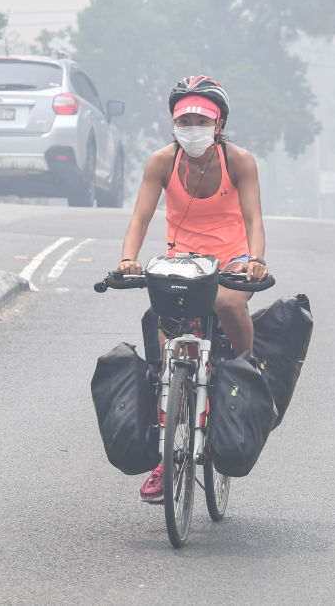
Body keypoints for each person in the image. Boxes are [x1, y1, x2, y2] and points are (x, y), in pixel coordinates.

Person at [117, 75, 269, 502]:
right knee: (167, 359)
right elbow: (140, 218)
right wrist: (129, 257)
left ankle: (246, 367)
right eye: (184, 118)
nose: (192, 126)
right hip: (180, 261)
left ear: (218, 123)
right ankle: (165, 462)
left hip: (232, 259)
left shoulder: (240, 162)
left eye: (201, 119)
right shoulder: (161, 162)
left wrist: (255, 261)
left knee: (226, 304)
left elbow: (254, 219)